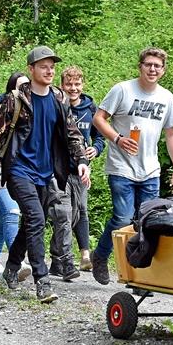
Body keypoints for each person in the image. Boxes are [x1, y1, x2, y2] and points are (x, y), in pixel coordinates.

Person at [0, 47, 90, 303]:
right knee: (37, 218)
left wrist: (81, 159)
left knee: (32, 222)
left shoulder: (58, 99)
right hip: (19, 169)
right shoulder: (17, 99)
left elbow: (72, 133)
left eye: (52, 66)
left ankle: (11, 267)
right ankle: (42, 281)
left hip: (46, 172)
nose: (49, 70)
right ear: (31, 69)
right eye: (43, 66)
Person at [89, 47, 173, 285]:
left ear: (163, 70)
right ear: (140, 66)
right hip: (121, 167)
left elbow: (171, 135)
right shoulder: (122, 90)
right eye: (148, 64)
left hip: (150, 170)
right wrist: (118, 139)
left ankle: (141, 276)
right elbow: (99, 118)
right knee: (123, 218)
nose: (152, 69)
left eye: (157, 66)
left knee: (147, 223)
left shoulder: (167, 97)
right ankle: (100, 256)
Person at [48, 65, 105, 275]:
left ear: (83, 84)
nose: (73, 88)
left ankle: (61, 258)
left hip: (82, 171)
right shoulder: (56, 105)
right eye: (69, 84)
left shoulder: (91, 109)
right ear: (61, 86)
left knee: (79, 212)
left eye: (77, 84)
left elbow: (99, 137)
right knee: (64, 214)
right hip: (59, 170)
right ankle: (66, 260)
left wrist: (96, 149)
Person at [0, 73, 30, 283]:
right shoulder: (0, 111)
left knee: (5, 214)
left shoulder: (32, 113)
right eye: (19, 88)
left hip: (20, 174)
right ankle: (16, 261)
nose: (24, 91)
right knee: (12, 210)